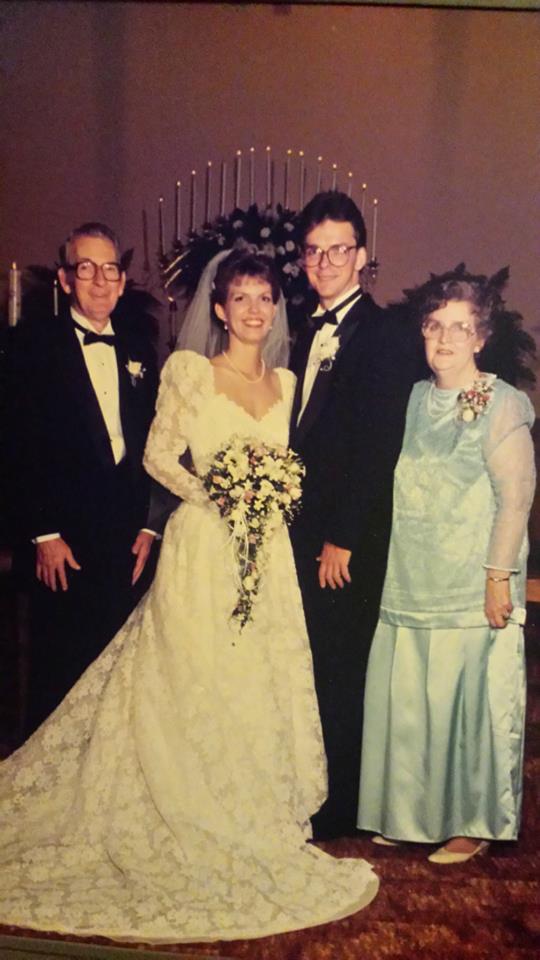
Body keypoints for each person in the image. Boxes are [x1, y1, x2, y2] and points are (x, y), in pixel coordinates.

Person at [0, 250, 378, 943]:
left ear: (275, 308)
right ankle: (186, 802)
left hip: (266, 555)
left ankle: (248, 806)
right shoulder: (189, 372)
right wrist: (218, 496)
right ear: (221, 309)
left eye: (265, 298)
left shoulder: (288, 382)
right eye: (241, 298)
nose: (254, 310)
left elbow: (295, 465)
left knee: (254, 678)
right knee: (193, 676)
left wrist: (267, 501)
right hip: (204, 549)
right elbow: (157, 456)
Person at [357, 268, 536, 862]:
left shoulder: (502, 403)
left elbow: (516, 498)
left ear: (481, 337)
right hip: (411, 578)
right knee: (413, 707)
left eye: (460, 327)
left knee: (469, 709)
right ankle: (411, 815)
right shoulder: (413, 399)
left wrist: (497, 577)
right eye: (435, 326)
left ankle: (473, 822)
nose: (445, 338)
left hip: (472, 583)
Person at [289, 191, 420, 840]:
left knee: (341, 668)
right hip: (301, 528)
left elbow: (378, 446)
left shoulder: (386, 334)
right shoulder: (299, 328)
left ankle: (340, 809)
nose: (325, 262)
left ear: (362, 256)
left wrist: (342, 536)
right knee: (307, 663)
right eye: (314, 251)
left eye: (337, 250)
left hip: (347, 537)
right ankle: (308, 787)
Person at [8, 223, 162, 735]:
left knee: (116, 675)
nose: (99, 280)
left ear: (122, 280)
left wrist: (150, 525)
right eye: (86, 268)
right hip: (63, 539)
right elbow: (16, 444)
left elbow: (157, 443)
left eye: (109, 268)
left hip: (127, 539)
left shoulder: (141, 347)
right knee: (60, 673)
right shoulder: (31, 345)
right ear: (65, 278)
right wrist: (43, 534)